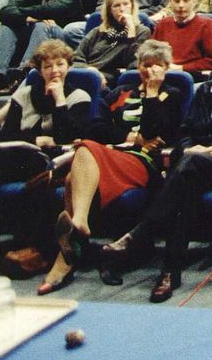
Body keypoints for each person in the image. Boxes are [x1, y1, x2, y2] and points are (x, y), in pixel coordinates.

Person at [102, 43, 212, 302]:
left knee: (188, 169)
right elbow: (185, 132)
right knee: (185, 190)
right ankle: (169, 273)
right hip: (199, 165)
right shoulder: (205, 91)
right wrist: (189, 149)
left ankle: (141, 234)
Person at [39, 39, 185, 294]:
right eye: (145, 65)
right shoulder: (121, 92)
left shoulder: (172, 95)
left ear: (166, 68)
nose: (149, 71)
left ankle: (67, 255)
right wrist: (130, 136)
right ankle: (79, 225)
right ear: (137, 66)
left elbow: (159, 131)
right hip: (111, 154)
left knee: (80, 162)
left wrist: (151, 93)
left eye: (156, 66)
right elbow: (96, 127)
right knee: (84, 150)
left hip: (144, 163)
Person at [0, 39, 94, 281]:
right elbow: (8, 135)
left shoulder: (78, 96)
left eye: (60, 64)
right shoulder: (23, 94)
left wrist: (59, 100)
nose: (54, 71)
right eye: (47, 66)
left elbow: (68, 136)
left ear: (68, 65)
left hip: (47, 162)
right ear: (39, 70)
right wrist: (36, 139)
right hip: (13, 156)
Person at [71, 0, 151, 85]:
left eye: (126, 4)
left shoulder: (142, 32)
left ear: (132, 7)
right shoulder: (98, 31)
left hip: (114, 79)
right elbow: (77, 57)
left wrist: (131, 30)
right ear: (110, 10)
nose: (122, 9)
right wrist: (90, 70)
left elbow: (134, 64)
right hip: (89, 73)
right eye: (116, 5)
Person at [151, 0, 212, 75]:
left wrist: (182, 68)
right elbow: (151, 54)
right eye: (176, 1)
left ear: (194, 2)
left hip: (192, 77)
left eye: (186, 0)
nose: (181, 5)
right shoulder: (163, 24)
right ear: (170, 2)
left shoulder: (206, 24)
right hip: (163, 75)